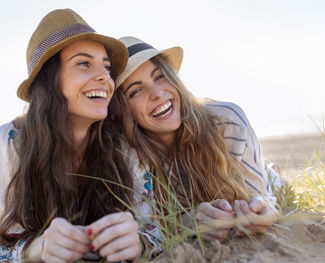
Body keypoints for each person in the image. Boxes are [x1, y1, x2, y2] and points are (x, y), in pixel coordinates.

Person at [0, 10, 143, 262]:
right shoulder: (10, 141)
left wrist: (137, 241)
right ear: (51, 79)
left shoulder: (123, 142)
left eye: (107, 67)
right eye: (83, 63)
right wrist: (41, 248)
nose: (105, 77)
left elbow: (152, 228)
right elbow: (3, 246)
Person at [114, 36, 282, 245]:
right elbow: (149, 227)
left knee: (276, 181)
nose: (157, 93)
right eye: (136, 90)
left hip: (253, 170)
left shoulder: (227, 120)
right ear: (122, 111)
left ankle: (274, 171)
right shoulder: (128, 156)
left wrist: (261, 212)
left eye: (159, 77)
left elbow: (264, 199)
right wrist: (189, 222)